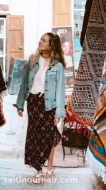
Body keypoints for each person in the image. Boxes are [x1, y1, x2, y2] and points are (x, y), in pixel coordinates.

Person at [13, 32, 66, 183]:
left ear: (51, 45)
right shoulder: (33, 60)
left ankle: (49, 167)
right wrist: (20, 103)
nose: (40, 42)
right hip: (34, 103)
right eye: (40, 40)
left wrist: (59, 113)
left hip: (49, 105)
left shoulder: (58, 66)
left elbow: (60, 91)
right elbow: (25, 83)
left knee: (48, 135)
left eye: (44, 41)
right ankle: (38, 170)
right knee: (35, 136)